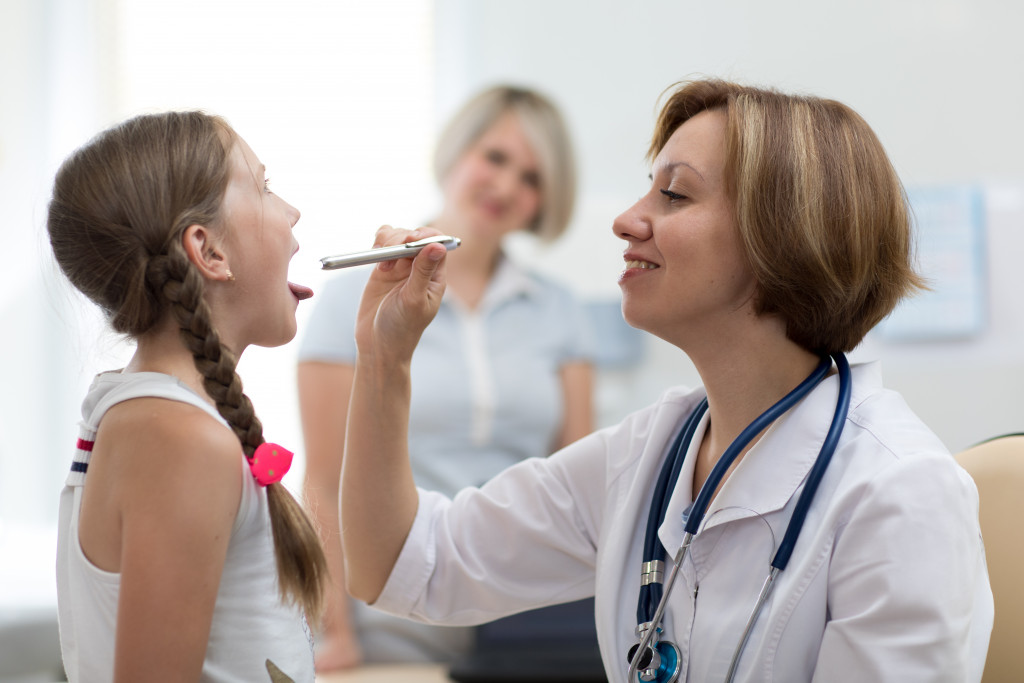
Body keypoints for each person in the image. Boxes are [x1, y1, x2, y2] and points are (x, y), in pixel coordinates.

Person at [338, 79, 994, 682]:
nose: (626, 219)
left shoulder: (900, 493)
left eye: (673, 194)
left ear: (783, 237)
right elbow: (402, 563)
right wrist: (385, 358)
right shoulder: (650, 452)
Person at [297, 85, 595, 669]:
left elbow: (580, 483)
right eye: (496, 157)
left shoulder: (562, 313)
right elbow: (324, 484)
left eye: (532, 178)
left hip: (522, 619)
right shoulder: (351, 303)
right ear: (458, 152)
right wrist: (335, 633)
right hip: (388, 615)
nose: (508, 187)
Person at [49, 111, 327, 682]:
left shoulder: (160, 419)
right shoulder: (178, 438)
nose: (292, 211)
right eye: (266, 189)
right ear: (209, 251)